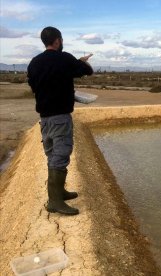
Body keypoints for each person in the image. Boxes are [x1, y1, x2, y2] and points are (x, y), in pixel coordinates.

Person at [27, 26, 93, 216]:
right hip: (60, 118)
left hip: (44, 119)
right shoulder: (65, 59)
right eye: (61, 40)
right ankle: (55, 201)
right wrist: (82, 61)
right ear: (57, 41)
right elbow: (87, 72)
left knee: (52, 155)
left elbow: (33, 85)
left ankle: (60, 192)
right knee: (61, 155)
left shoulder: (34, 62)